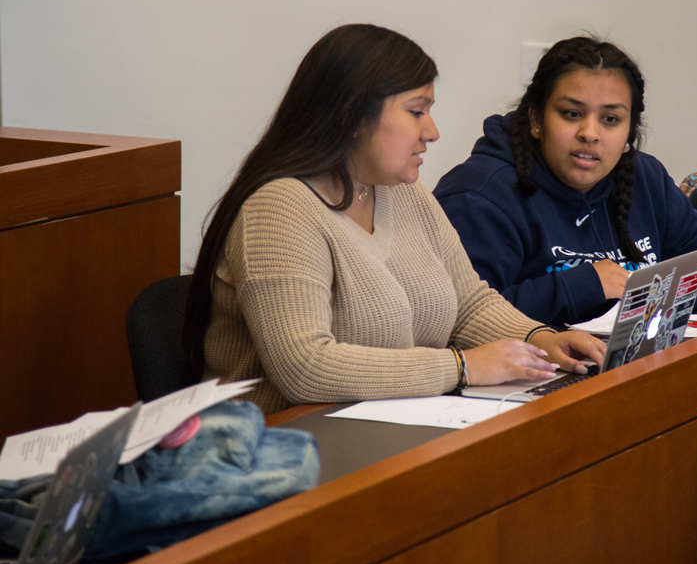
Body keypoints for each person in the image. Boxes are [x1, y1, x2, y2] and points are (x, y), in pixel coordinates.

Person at [183, 24, 605, 415]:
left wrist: (540, 340)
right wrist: (462, 367)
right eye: (416, 111)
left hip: (385, 424)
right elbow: (305, 367)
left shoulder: (401, 191)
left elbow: (468, 304)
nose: (432, 131)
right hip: (280, 441)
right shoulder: (279, 209)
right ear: (351, 116)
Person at [433, 36, 697, 326]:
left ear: (630, 133)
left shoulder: (646, 177)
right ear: (536, 119)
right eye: (572, 114)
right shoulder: (478, 196)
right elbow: (460, 318)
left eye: (610, 119)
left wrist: (646, 303)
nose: (589, 133)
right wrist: (585, 286)